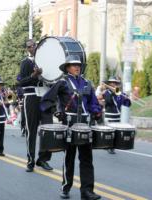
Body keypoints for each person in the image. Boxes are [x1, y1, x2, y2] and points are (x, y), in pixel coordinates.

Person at [41, 55, 102, 200]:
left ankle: (87, 191)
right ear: (67, 67)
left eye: (78, 65)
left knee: (87, 159)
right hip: (69, 124)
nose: (77, 67)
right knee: (69, 157)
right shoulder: (62, 83)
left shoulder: (87, 83)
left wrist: (97, 112)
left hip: (86, 125)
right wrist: (56, 111)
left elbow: (93, 103)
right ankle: (66, 186)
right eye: (73, 65)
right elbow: (46, 100)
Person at [18, 39, 53, 172]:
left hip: (45, 97)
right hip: (31, 98)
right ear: (27, 49)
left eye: (34, 45)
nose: (32, 48)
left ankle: (43, 159)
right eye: (29, 46)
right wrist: (34, 75)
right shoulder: (26, 63)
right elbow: (22, 82)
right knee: (31, 130)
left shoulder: (46, 61)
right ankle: (31, 160)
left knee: (48, 129)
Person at [101, 76, 131, 154]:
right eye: (112, 83)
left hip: (117, 116)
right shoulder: (106, 92)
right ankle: (109, 146)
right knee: (109, 132)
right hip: (109, 115)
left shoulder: (119, 92)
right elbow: (106, 101)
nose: (114, 84)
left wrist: (127, 99)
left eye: (115, 83)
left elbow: (126, 103)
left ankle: (112, 146)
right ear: (109, 83)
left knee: (115, 132)